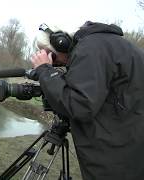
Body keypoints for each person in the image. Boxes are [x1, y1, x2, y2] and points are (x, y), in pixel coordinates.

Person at [30, 21, 144, 180]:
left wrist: (44, 71)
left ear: (61, 43)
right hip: (130, 147)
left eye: (52, 57)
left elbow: (79, 105)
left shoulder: (89, 49)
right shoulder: (112, 45)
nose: (57, 63)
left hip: (114, 159)